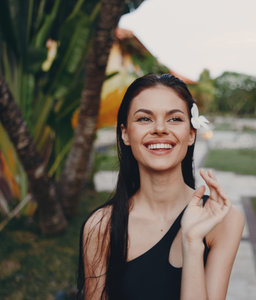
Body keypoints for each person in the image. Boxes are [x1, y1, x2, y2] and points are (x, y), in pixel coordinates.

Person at [77, 74, 245, 299]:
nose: (159, 129)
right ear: (125, 134)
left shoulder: (224, 221)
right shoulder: (101, 226)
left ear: (191, 134)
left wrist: (193, 243)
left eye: (174, 119)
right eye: (144, 119)